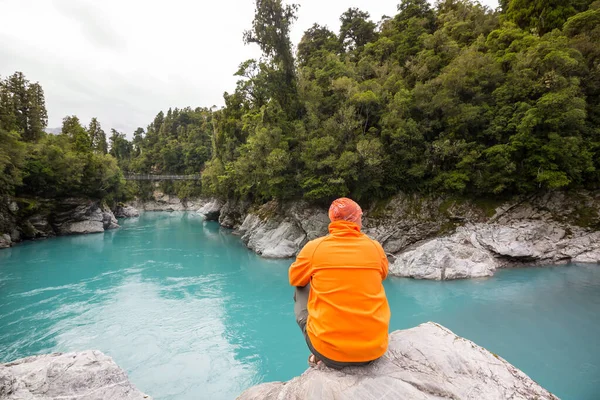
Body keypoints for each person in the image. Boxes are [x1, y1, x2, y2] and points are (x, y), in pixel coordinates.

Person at [289, 197, 390, 369]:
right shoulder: (375, 247)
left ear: (332, 220)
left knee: (301, 287)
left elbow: (294, 278)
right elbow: (382, 275)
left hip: (330, 354)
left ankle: (317, 355)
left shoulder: (314, 248)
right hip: (374, 351)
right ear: (357, 218)